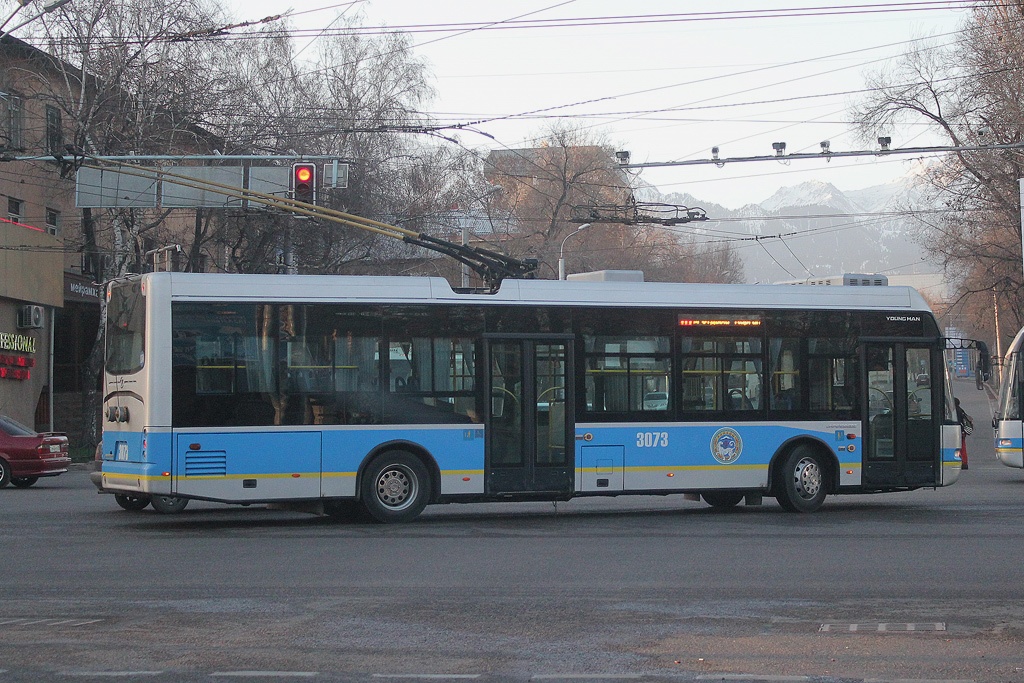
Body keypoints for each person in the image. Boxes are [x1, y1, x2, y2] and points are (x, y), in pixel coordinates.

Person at [955, 397, 974, 470]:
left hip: (958, 431)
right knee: (963, 447)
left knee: (958, 446)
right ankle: (964, 462)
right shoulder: (961, 410)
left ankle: (961, 461)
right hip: (962, 432)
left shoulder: (955, 411)